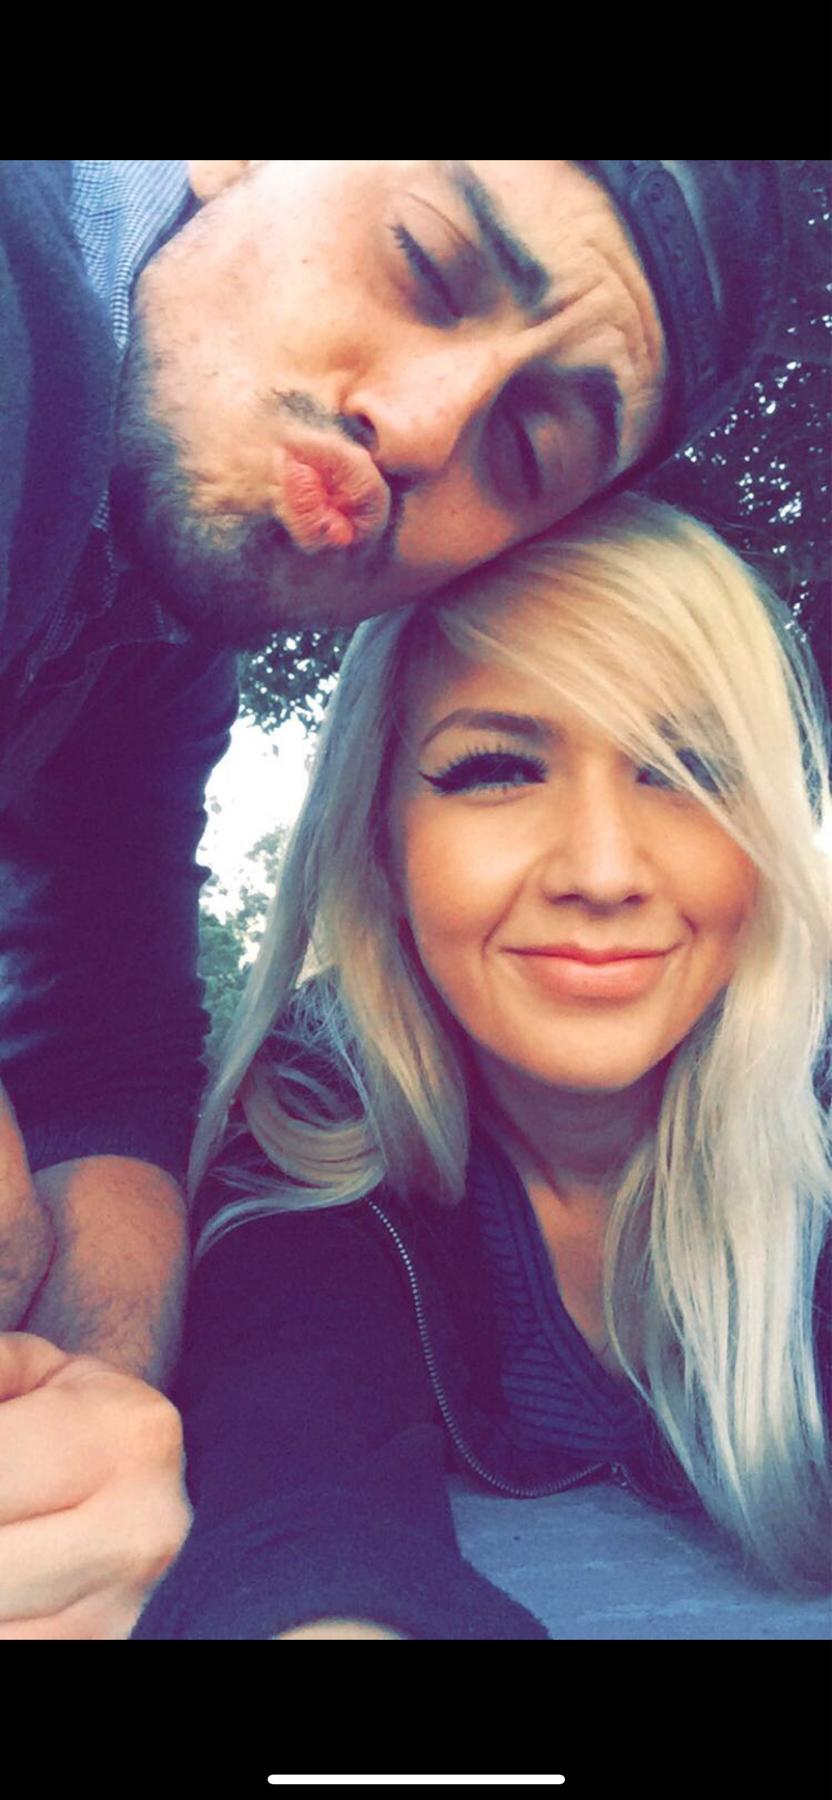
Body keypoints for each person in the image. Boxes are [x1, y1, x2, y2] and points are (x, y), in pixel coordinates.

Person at [0, 161, 786, 1637]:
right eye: (423, 259)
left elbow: (100, 1048)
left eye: (525, 446)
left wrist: (81, 1420)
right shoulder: (28, 300)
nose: (422, 427)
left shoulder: (149, 654)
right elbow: (306, 1450)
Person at [132, 491, 832, 1641]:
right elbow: (297, 1471)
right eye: (498, 768)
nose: (602, 872)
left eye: (684, 767)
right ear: (380, 839)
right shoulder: (311, 1112)